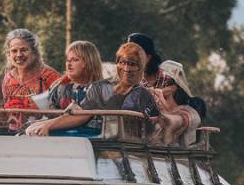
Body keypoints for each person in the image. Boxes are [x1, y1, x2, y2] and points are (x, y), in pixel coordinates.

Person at [25, 41, 158, 136]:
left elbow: (155, 128)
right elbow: (81, 114)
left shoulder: (143, 93)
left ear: (141, 67)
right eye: (122, 62)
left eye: (132, 64)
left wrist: (49, 125)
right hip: (94, 138)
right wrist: (46, 123)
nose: (126, 68)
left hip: (108, 141)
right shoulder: (98, 87)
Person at [1, 28, 61, 131]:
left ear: (34, 52)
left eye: (23, 50)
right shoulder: (8, 78)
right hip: (14, 134)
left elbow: (63, 112)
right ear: (8, 54)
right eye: (14, 51)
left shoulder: (50, 77)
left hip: (44, 135)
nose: (19, 55)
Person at [149, 60, 204, 147]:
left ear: (174, 87)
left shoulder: (187, 109)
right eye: (158, 81)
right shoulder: (154, 102)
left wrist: (160, 96)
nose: (158, 85)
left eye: (164, 81)